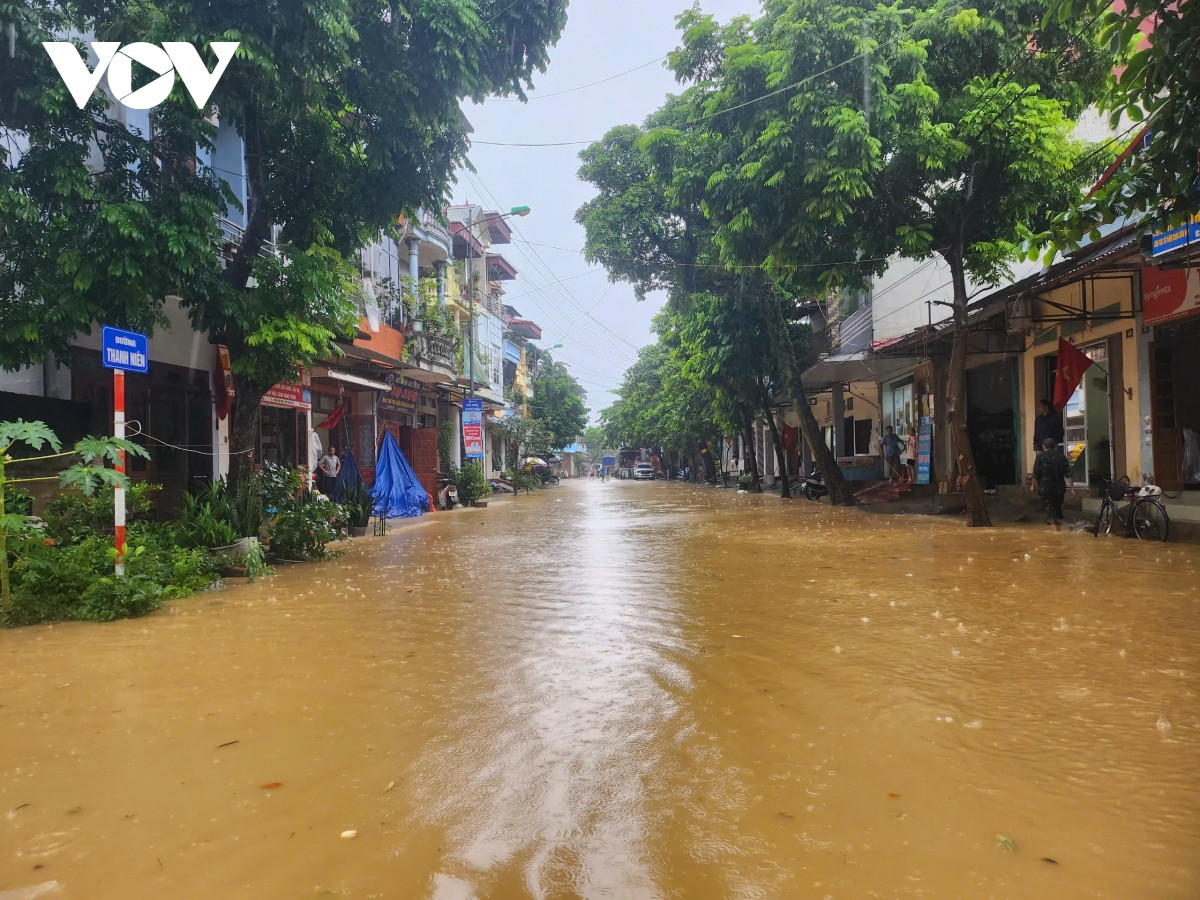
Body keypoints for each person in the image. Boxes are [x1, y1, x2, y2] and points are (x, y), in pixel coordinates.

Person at [1031, 436, 1074, 532]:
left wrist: (1033, 486)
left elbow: (1035, 474)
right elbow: (1068, 474)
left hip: (1045, 489)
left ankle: (1056, 536)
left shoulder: (1040, 457)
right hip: (1058, 489)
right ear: (1055, 446)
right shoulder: (1061, 457)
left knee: (1051, 513)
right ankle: (1065, 530)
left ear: (1043, 447)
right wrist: (1072, 489)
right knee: (1057, 510)